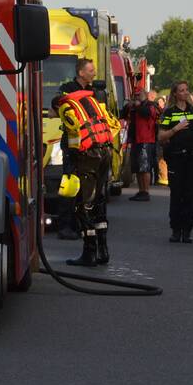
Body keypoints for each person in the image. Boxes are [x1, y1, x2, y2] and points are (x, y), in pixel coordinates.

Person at [54, 79, 118, 266]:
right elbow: (114, 125)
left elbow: (74, 136)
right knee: (99, 202)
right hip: (105, 152)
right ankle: (103, 250)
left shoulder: (66, 107)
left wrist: (73, 161)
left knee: (84, 205)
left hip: (87, 158)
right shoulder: (94, 103)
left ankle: (89, 252)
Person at [157, 81, 193, 243]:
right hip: (176, 158)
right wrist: (176, 129)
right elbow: (160, 137)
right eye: (181, 90)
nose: (185, 93)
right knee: (177, 194)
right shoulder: (169, 113)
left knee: (190, 194)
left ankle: (187, 231)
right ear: (175, 94)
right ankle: (176, 230)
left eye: (187, 90)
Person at [55, 58, 97, 240]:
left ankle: (78, 223)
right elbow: (55, 108)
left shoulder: (92, 91)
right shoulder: (67, 88)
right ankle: (64, 226)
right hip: (72, 144)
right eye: (90, 70)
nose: (93, 73)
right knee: (70, 185)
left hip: (88, 143)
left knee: (85, 187)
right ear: (81, 73)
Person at [127, 87, 161, 201]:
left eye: (139, 94)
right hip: (136, 139)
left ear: (145, 95)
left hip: (146, 139)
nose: (137, 97)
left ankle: (146, 191)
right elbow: (123, 114)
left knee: (145, 167)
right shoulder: (135, 107)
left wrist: (137, 105)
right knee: (138, 167)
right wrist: (130, 105)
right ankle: (141, 191)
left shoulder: (150, 105)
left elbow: (146, 114)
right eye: (136, 95)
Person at [155, 93, 169, 186]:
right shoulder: (163, 111)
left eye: (161, 101)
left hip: (165, 138)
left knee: (162, 159)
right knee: (161, 159)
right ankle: (163, 177)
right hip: (163, 137)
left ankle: (164, 178)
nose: (159, 103)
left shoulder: (166, 111)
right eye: (158, 102)